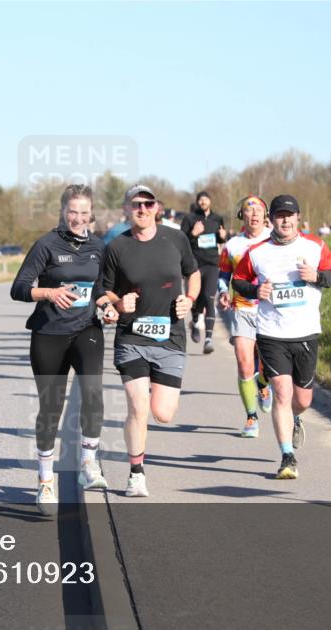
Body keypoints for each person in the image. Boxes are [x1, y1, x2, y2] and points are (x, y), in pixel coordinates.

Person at [11, 184, 119, 516]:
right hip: (49, 333)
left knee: (93, 391)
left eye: (85, 212)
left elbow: (99, 288)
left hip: (86, 328)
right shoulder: (46, 245)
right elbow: (19, 288)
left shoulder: (98, 246)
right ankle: (45, 481)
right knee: (51, 408)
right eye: (73, 211)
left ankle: (88, 461)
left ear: (91, 214)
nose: (79, 218)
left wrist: (107, 306)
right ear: (62, 212)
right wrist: (49, 293)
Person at [232, 195, 331, 479]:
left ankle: (295, 416)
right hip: (272, 333)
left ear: (298, 218)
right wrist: (256, 291)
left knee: (302, 400)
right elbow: (238, 280)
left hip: (305, 332)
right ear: (272, 220)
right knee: (282, 392)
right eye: (280, 215)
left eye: (290, 215)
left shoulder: (315, 246)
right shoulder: (256, 252)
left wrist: (316, 276)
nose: (285, 220)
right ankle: (287, 457)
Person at [103, 184, 200, 497]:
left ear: (157, 207)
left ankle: (138, 460)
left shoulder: (176, 239)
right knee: (138, 406)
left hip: (170, 337)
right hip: (131, 337)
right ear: (127, 209)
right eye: (136, 204)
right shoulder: (117, 247)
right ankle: (136, 473)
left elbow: (193, 273)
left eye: (148, 204)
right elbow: (105, 291)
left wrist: (190, 299)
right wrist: (118, 304)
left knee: (163, 413)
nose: (142, 209)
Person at [217, 195, 273, 438]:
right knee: (244, 362)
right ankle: (251, 417)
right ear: (242, 216)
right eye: (249, 211)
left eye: (259, 210)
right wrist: (223, 292)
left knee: (269, 365)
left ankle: (263, 384)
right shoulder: (232, 246)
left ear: (266, 215)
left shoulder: (275, 240)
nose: (255, 214)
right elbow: (223, 275)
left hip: (271, 311)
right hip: (243, 309)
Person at [180, 191, 227, 353]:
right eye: (200, 199)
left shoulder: (217, 218)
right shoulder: (190, 218)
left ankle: (208, 339)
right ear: (197, 202)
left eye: (206, 199)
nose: (203, 201)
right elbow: (182, 240)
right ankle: (195, 321)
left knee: (209, 297)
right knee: (197, 298)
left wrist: (223, 237)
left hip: (212, 263)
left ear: (210, 201)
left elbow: (219, 239)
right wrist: (193, 234)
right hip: (195, 265)